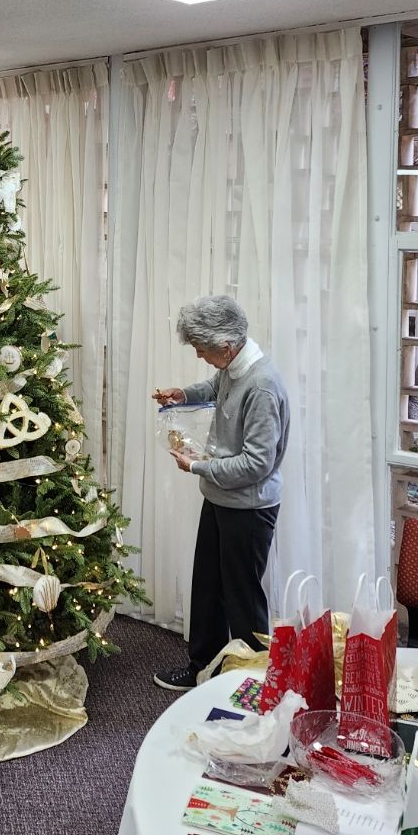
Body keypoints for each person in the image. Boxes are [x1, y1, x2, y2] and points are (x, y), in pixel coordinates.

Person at [151, 295, 289, 693]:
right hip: (220, 497)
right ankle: (203, 669)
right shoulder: (233, 367)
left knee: (242, 598)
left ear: (226, 346)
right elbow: (214, 387)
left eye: (202, 348)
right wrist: (185, 394)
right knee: (209, 587)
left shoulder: (262, 387)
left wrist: (198, 466)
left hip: (248, 508)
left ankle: (251, 682)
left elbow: (257, 464)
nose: (199, 354)